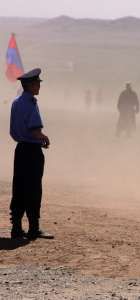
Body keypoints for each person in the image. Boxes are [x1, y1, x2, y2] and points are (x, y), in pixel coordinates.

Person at [9, 68, 53, 240]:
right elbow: (34, 130)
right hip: (32, 151)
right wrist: (44, 138)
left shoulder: (16, 102)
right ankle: (34, 228)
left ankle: (16, 228)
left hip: (20, 150)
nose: (39, 87)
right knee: (34, 189)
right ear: (29, 85)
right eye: (37, 83)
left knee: (19, 187)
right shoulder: (31, 103)